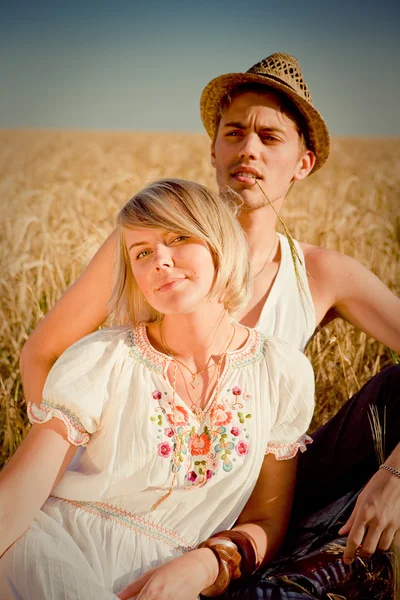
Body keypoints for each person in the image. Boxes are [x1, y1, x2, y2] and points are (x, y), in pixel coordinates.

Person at [19, 52, 400, 570]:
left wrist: (396, 472)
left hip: (251, 506)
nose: (248, 149)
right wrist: (55, 463)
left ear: (303, 162)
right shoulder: (148, 245)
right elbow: (43, 350)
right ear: (213, 149)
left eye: (270, 138)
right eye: (234, 133)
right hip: (120, 502)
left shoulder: (322, 274)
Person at [0, 179, 316, 599]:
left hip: (175, 578)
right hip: (52, 551)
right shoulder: (103, 358)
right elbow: (19, 495)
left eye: (178, 237)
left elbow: (266, 520)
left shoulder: (282, 371)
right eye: (142, 253)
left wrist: (207, 564)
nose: (160, 261)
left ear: (219, 242)